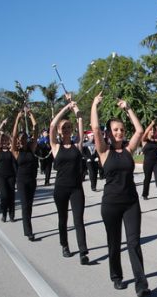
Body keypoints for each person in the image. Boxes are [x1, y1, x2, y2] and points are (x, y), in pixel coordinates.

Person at [91, 93, 150, 296]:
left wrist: (128, 108)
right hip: (111, 205)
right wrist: (94, 106)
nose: (119, 133)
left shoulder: (128, 150)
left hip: (131, 203)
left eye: (122, 130)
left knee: (134, 243)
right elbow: (96, 128)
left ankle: (141, 285)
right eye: (115, 130)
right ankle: (116, 276)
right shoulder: (103, 151)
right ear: (109, 133)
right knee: (114, 243)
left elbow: (140, 130)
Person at [50, 99, 90, 263]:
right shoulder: (55, 147)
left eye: (68, 127)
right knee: (63, 219)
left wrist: (76, 107)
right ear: (59, 131)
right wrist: (66, 107)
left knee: (78, 220)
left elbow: (80, 119)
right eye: (63, 128)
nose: (66, 129)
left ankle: (83, 252)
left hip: (76, 188)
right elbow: (52, 125)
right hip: (61, 189)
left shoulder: (78, 145)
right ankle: (64, 245)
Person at [11, 109, 39, 241]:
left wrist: (31, 115)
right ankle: (29, 232)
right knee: (24, 206)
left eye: (24, 138)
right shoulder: (16, 151)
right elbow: (14, 135)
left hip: (32, 181)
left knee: (30, 205)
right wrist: (17, 119)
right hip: (21, 181)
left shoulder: (32, 148)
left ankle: (28, 227)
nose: (22, 140)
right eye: (20, 139)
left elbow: (36, 128)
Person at [141, 121, 157, 201]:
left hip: (156, 162)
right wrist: (151, 124)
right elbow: (144, 133)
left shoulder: (156, 140)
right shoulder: (144, 140)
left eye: (153, 130)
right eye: (150, 130)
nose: (152, 131)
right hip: (147, 163)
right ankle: (145, 194)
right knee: (147, 179)